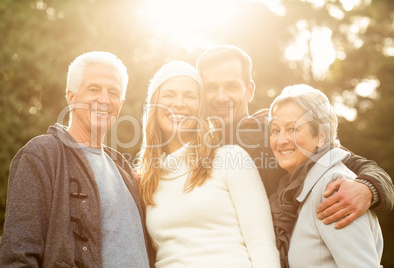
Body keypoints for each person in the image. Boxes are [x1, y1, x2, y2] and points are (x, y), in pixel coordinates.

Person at [196, 44, 394, 229]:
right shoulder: (196, 151)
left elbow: (362, 166)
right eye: (211, 88)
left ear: (249, 91)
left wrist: (367, 188)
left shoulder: (279, 131)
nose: (221, 97)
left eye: (231, 86)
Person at [0, 51, 151, 267]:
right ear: (71, 96)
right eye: (94, 89)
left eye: (113, 92)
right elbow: (17, 257)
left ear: (121, 103)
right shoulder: (42, 155)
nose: (104, 100)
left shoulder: (124, 170)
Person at [137, 61, 280, 267]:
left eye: (189, 95)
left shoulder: (229, 159)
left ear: (200, 108)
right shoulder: (147, 180)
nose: (179, 103)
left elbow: (262, 245)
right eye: (169, 95)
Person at [268, 84, 383, 267]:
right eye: (275, 130)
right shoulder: (300, 188)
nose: (281, 140)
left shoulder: (333, 187)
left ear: (321, 136)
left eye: (293, 129)